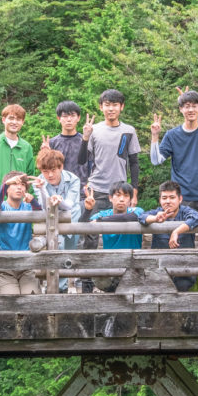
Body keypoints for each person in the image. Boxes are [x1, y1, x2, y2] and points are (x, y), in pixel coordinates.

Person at [78, 88, 142, 290]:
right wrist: (85, 138)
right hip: (97, 189)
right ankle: (86, 284)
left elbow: (134, 162)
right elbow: (81, 161)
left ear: (121, 107)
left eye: (115, 104)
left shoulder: (129, 131)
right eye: (107, 104)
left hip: (121, 191)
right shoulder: (94, 129)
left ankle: (121, 280)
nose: (111, 108)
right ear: (101, 106)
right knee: (90, 235)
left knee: (120, 232)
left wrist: (135, 190)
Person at [0, 103, 35, 250]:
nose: (14, 122)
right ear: (3, 120)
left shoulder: (26, 147)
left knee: (19, 244)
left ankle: (16, 273)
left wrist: (31, 201)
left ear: (22, 122)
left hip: (19, 204)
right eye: (11, 118)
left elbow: (30, 176)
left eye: (18, 119)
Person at [33, 146, 82, 292]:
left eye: (53, 170)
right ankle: (55, 290)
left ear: (61, 167)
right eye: (45, 171)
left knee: (68, 256)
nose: (49, 175)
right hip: (51, 222)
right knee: (55, 251)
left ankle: (63, 287)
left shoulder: (73, 179)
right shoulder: (40, 180)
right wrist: (42, 189)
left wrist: (58, 200)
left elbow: (69, 205)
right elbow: (43, 205)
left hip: (71, 220)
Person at [82, 182, 143, 293]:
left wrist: (102, 221)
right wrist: (87, 210)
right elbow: (82, 225)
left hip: (134, 265)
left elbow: (128, 218)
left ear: (130, 200)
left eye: (125, 196)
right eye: (118, 195)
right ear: (110, 198)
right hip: (111, 265)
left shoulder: (136, 211)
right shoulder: (103, 214)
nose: (121, 199)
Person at [143, 180, 198, 292]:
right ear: (160, 200)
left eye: (172, 197)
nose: (168, 201)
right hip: (159, 268)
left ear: (180, 199)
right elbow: (141, 217)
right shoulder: (157, 212)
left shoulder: (186, 211)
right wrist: (155, 219)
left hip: (185, 269)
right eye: (164, 198)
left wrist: (176, 231)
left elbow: (196, 218)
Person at [0, 172, 43, 295]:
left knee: (31, 297)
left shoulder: (28, 207)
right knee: (11, 299)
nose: (19, 187)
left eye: (23, 184)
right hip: (6, 266)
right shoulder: (2, 207)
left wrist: (33, 201)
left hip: (26, 265)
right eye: (14, 184)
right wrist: (5, 185)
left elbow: (40, 213)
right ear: (7, 188)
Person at [47, 100, 90, 196]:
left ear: (78, 118)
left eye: (72, 116)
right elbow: (47, 170)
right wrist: (45, 154)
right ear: (59, 118)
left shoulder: (85, 140)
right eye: (65, 116)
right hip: (58, 193)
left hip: (82, 193)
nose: (69, 119)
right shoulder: (52, 143)